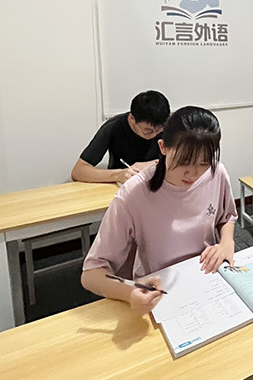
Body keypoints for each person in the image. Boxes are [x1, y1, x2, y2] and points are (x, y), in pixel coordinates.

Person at [81, 105, 237, 316]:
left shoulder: (216, 173)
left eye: (203, 162)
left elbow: (227, 216)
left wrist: (227, 242)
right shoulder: (134, 193)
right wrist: (130, 292)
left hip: (207, 280)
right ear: (163, 147)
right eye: (184, 162)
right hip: (159, 293)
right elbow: (91, 274)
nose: (193, 173)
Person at [71, 90, 171, 184]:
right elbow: (78, 171)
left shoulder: (170, 126)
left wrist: (155, 164)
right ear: (132, 119)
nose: (154, 134)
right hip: (123, 186)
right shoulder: (113, 127)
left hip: (160, 184)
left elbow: (179, 161)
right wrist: (118, 175)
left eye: (159, 130)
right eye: (148, 131)